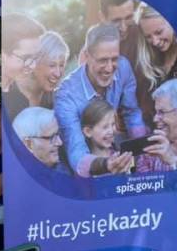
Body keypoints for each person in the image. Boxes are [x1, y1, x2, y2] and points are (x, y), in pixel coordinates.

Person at [54, 23, 146, 177]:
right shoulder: (66, 95)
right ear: (87, 56)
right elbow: (76, 152)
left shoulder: (123, 67)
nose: (109, 68)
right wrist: (106, 165)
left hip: (110, 150)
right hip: (79, 170)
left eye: (114, 59)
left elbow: (132, 113)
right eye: (102, 60)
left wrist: (143, 150)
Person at [134, 5, 177, 129]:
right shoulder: (150, 58)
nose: (155, 41)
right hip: (152, 130)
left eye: (159, 32)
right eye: (148, 37)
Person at [13, 31, 70, 117]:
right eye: (52, 65)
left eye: (61, 65)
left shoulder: (57, 100)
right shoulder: (10, 93)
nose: (58, 74)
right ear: (35, 63)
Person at [137, 78, 177, 172]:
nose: (155, 119)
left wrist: (173, 161)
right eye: (156, 112)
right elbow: (141, 178)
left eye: (162, 112)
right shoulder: (151, 150)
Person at [1, 13, 44, 120]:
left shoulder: (20, 99)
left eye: (36, 57)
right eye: (26, 58)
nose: (33, 66)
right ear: (3, 56)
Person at [12, 107, 70, 173]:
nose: (60, 142)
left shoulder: (65, 168)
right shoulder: (17, 175)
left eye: (58, 134)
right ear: (29, 144)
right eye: (51, 137)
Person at [80, 99, 130, 174]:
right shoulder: (84, 165)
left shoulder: (119, 155)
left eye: (113, 124)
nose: (111, 131)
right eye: (105, 127)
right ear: (88, 132)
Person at [99, 0, 139, 66]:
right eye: (116, 21)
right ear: (102, 18)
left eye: (128, 17)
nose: (124, 28)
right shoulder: (93, 47)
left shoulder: (146, 34)